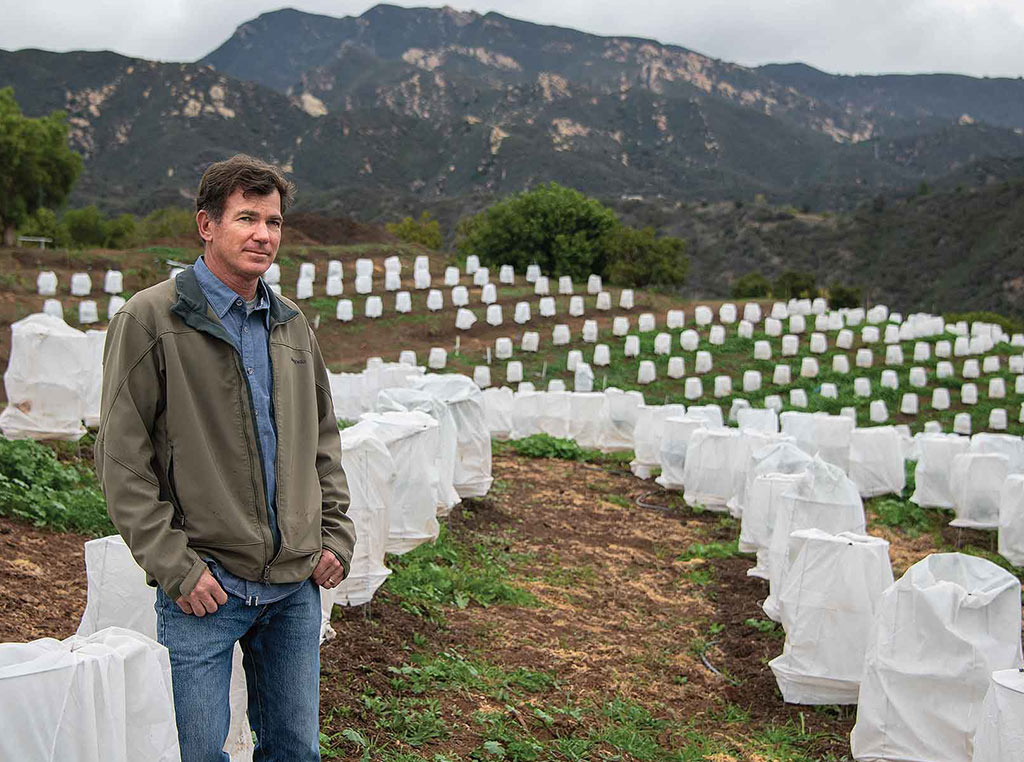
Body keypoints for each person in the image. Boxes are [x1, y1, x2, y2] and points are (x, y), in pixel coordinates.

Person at [95, 154, 355, 761]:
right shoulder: (151, 319)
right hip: (205, 588)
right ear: (206, 225)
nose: (263, 234)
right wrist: (176, 567)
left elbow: (324, 441)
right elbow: (122, 459)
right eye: (246, 218)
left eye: (274, 221)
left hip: (294, 588)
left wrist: (336, 536)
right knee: (197, 753)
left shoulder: (290, 326)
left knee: (295, 750)